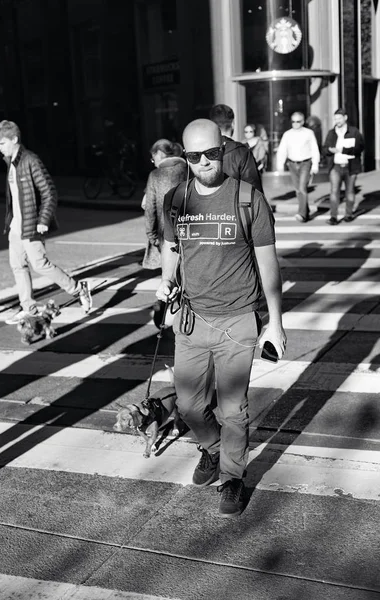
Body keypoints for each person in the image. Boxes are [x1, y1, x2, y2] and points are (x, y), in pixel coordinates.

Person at [156, 119, 286, 517]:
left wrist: (276, 321)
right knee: (189, 405)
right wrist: (164, 283)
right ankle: (211, 449)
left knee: (233, 408)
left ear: (223, 150)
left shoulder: (248, 199)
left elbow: (268, 264)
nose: (204, 163)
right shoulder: (176, 199)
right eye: (194, 157)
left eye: (211, 154)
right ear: (185, 155)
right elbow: (170, 247)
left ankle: (232, 477)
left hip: (238, 320)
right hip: (191, 319)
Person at [0, 120, 92, 325]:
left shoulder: (30, 160)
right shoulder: (11, 162)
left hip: (30, 224)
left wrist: (43, 219)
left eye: (1, 143)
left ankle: (77, 288)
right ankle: (28, 307)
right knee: (17, 265)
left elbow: (49, 191)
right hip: (16, 226)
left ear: (14, 139)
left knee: (40, 264)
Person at [142, 139, 187, 270]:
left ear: (160, 154)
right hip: (190, 229)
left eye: (153, 157)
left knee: (169, 274)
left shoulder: (155, 175)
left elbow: (150, 208)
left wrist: (152, 236)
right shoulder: (187, 169)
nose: (153, 161)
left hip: (165, 234)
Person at [322, 108, 364, 225]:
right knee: (334, 191)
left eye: (339, 118)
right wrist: (330, 150)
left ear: (345, 118)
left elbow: (360, 147)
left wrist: (345, 149)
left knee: (350, 191)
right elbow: (324, 148)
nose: (337, 121)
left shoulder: (354, 131)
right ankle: (333, 216)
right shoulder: (331, 133)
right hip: (335, 166)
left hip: (350, 166)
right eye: (335, 119)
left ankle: (348, 214)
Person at [276, 112, 320, 223]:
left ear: (303, 121)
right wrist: (280, 164)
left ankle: (302, 214)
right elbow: (282, 150)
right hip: (292, 164)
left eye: (298, 121)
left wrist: (315, 165)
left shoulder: (309, 133)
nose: (295, 124)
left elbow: (314, 149)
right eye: (293, 121)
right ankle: (306, 211)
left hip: (305, 163)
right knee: (298, 190)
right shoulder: (287, 134)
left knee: (302, 188)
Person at [209, 104, 263, 192]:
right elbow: (249, 191)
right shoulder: (241, 152)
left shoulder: (199, 152)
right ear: (233, 124)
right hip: (233, 204)